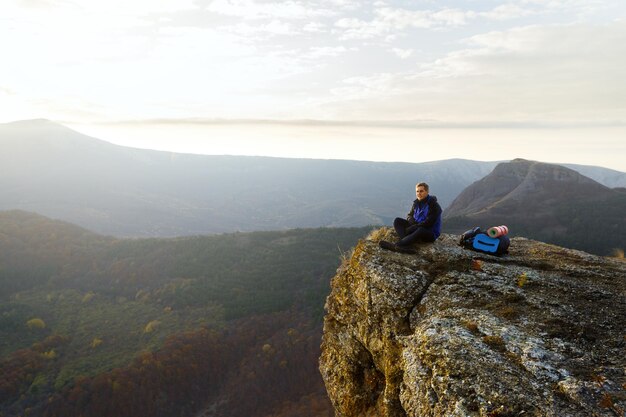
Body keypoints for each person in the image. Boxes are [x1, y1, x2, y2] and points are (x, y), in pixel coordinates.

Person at [379, 182, 442, 253]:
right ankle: (406, 244)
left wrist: (414, 227)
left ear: (427, 192)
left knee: (420, 230)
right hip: (416, 226)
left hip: (430, 233)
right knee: (397, 220)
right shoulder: (416, 203)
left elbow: (429, 223)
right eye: (417, 191)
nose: (419, 193)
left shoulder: (433, 205)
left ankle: (398, 245)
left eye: (421, 191)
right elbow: (409, 215)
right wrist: (411, 221)